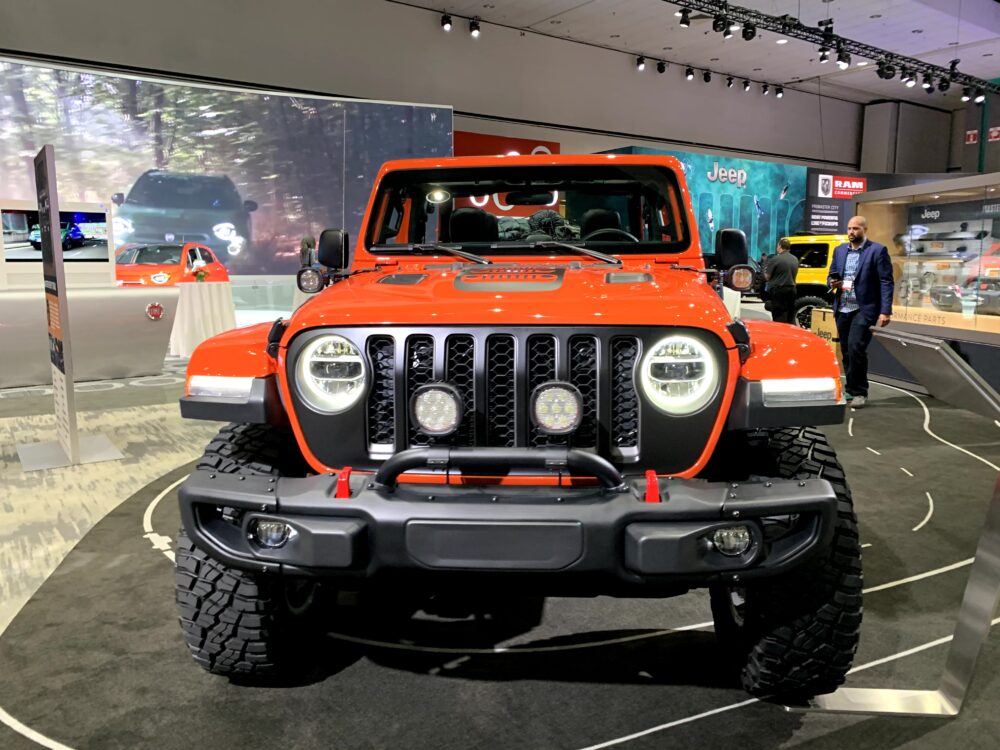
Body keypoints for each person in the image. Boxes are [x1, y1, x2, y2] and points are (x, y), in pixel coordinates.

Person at [828, 216, 894, 409]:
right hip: (842, 307)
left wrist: (885, 311)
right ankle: (850, 388)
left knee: (856, 347)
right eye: (849, 228)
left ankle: (860, 392)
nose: (851, 232)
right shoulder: (839, 251)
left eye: (855, 228)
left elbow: (886, 282)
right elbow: (831, 274)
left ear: (865, 229)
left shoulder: (877, 251)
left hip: (864, 309)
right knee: (847, 351)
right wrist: (832, 283)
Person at [764, 238, 799, 324]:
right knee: (790, 316)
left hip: (779, 291)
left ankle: (779, 335)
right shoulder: (795, 259)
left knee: (779, 316)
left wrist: (764, 268)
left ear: (779, 246)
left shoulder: (776, 259)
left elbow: (767, 277)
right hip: (792, 290)